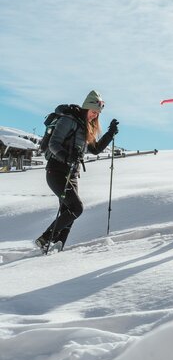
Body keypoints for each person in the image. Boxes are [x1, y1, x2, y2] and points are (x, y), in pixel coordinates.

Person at [35, 90, 119, 251]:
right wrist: (67, 157)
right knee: (76, 208)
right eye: (94, 112)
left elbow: (95, 149)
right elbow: (54, 144)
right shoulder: (68, 120)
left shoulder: (85, 125)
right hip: (56, 171)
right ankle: (45, 238)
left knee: (69, 213)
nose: (95, 115)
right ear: (86, 107)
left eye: (98, 113)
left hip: (72, 174)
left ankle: (56, 246)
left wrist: (110, 133)